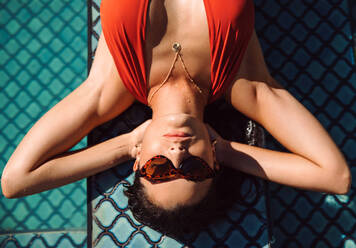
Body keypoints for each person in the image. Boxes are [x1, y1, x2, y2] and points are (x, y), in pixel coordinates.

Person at [2, 0, 351, 236]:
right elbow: (335, 176)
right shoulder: (247, 86)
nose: (178, 155)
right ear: (213, 163)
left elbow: (15, 181)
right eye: (194, 170)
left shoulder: (109, 90)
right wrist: (226, 149)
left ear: (139, 163)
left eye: (158, 169)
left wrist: (126, 145)